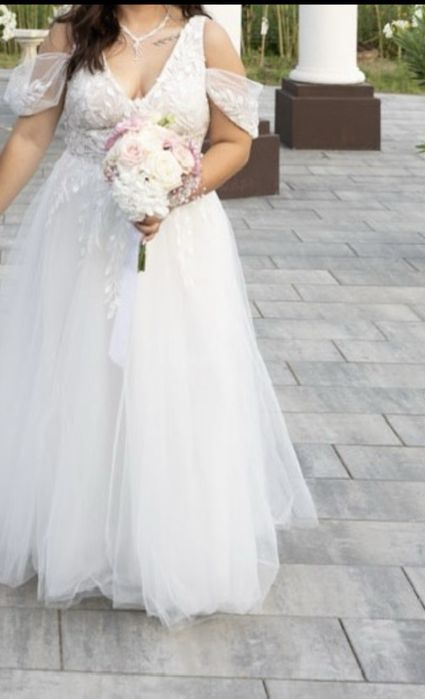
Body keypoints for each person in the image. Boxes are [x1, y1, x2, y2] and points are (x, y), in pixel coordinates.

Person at [0, 4, 319, 631]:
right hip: (80, 236)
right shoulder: (72, 32)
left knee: (174, 384)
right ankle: (80, 539)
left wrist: (173, 191)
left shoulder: (208, 39)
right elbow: (31, 137)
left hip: (180, 243)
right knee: (80, 380)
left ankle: (166, 545)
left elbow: (234, 142)